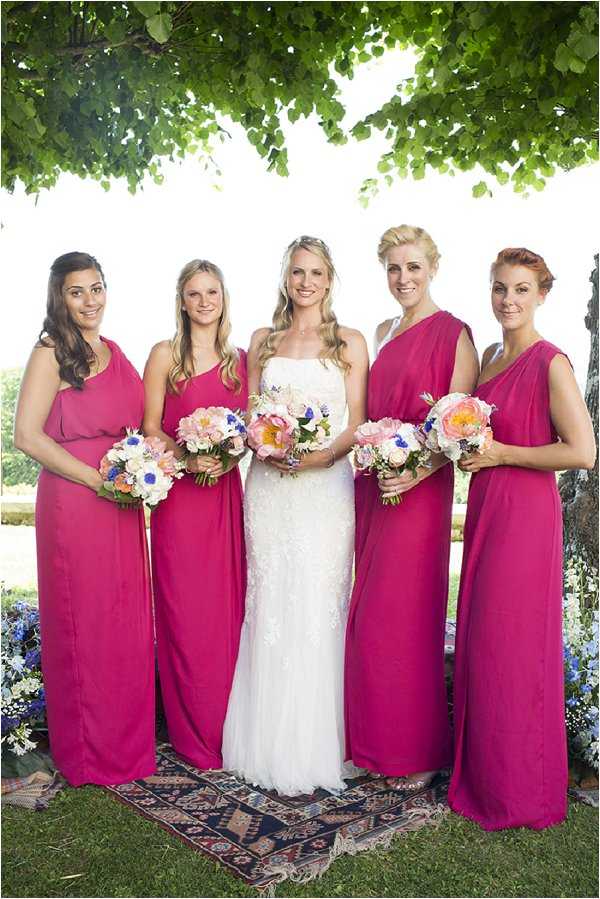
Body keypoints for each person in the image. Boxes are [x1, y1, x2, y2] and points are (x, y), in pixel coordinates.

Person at [448, 247, 596, 830]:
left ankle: (516, 791)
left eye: (521, 290)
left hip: (525, 518)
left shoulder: (549, 362)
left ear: (541, 295)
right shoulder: (486, 358)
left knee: (512, 644)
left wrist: (501, 453)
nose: (508, 300)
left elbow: (582, 452)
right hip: (487, 508)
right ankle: (480, 773)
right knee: (482, 639)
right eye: (500, 288)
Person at [222, 235, 368, 795]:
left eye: (315, 273)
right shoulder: (263, 340)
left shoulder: (349, 341)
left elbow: (358, 420)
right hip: (270, 489)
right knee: (271, 601)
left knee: (318, 603)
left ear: (330, 279)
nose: (305, 282)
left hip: (325, 487)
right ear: (286, 278)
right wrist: (267, 447)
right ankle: (264, 740)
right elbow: (251, 415)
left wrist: (320, 455)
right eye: (296, 272)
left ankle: (319, 744)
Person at [345, 225, 479, 791]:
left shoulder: (456, 335)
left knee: (408, 618)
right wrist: (382, 463)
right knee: (371, 618)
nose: (403, 279)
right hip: (376, 489)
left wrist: (414, 471)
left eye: (413, 268)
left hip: (420, 496)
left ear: (433, 268)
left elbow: (462, 429)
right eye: (394, 269)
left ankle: (417, 752)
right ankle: (374, 745)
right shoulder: (380, 330)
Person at [13, 252, 155, 786]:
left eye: (97, 288)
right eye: (77, 292)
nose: (90, 300)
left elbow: (139, 426)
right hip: (75, 501)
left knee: (123, 621)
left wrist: (143, 468)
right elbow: (26, 436)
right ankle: (88, 753)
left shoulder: (116, 352)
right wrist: (97, 479)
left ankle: (128, 746)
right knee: (84, 621)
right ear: (60, 298)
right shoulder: (50, 353)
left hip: (120, 503)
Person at [143, 260, 248, 770]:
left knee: (226, 614)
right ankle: (192, 733)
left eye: (212, 291)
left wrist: (228, 454)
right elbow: (149, 429)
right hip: (181, 502)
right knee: (186, 613)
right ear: (181, 300)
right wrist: (186, 457)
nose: (204, 301)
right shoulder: (165, 355)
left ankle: (230, 726)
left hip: (224, 500)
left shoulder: (241, 361)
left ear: (223, 297)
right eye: (193, 293)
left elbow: (253, 431)